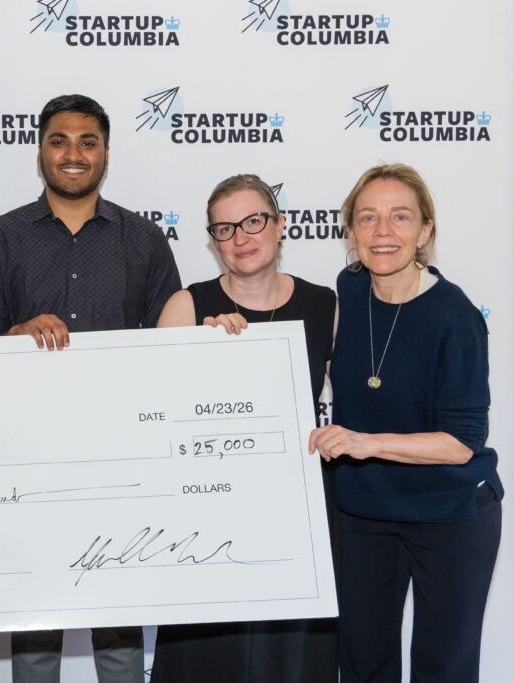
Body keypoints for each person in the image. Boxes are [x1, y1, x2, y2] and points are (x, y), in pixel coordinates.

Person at [0, 94, 180, 683]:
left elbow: (174, 345)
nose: (73, 154)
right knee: (35, 623)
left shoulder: (143, 240)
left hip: (122, 456)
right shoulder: (0, 237)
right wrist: (16, 332)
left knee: (118, 622)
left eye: (87, 142)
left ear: (106, 154)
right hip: (26, 454)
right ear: (40, 152)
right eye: (59, 140)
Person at [308, 164, 502, 683]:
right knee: (363, 663)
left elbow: (462, 443)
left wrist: (366, 443)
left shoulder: (456, 316)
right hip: (365, 508)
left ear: (425, 230)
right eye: (367, 217)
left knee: (443, 667)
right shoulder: (346, 291)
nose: (382, 231)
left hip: (450, 512)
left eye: (400, 217)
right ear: (349, 231)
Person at [150, 174, 339, 683]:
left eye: (254, 221)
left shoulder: (326, 304)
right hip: (207, 523)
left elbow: (346, 408)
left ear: (280, 226)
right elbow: (154, 419)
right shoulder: (187, 306)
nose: (241, 237)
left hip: (298, 521)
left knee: (292, 663)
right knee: (209, 661)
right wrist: (205, 360)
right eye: (225, 229)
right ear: (213, 242)